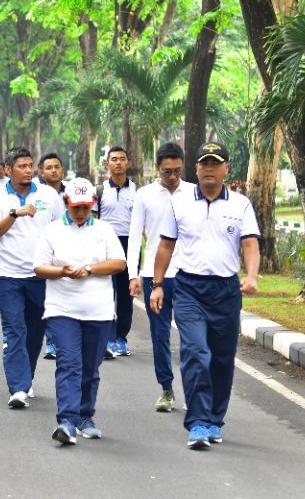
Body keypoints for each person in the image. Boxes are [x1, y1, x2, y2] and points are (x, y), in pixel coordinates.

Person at [150, 142, 260, 450]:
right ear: (195, 169)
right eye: (204, 163)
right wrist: (157, 284)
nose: (209, 168)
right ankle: (197, 421)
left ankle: (214, 419)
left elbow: (250, 243)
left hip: (226, 290)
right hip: (189, 289)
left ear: (226, 168)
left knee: (222, 359)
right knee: (196, 352)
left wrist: (251, 276)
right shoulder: (181, 204)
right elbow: (166, 246)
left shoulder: (240, 205)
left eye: (215, 163)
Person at [34, 178, 126, 445]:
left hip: (98, 312)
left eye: (86, 207)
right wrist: (62, 271)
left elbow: (119, 263)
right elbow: (39, 268)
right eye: (77, 207)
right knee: (69, 364)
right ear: (67, 203)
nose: (82, 212)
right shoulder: (51, 231)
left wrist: (90, 269)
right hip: (62, 309)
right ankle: (66, 420)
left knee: (89, 367)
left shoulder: (105, 230)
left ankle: (86, 416)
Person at [0, 146, 62, 408]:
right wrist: (14, 213)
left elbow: (64, 230)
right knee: (15, 330)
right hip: (8, 276)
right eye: (21, 166)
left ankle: (25, 380)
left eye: (30, 166)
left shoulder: (49, 195)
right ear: (8, 170)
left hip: (41, 275)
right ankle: (17, 388)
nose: (27, 170)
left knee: (35, 332)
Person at [127, 142, 194, 412]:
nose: (173, 176)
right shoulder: (144, 195)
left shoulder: (194, 192)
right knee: (160, 334)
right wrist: (132, 274)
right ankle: (166, 389)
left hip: (189, 274)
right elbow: (134, 237)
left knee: (192, 335)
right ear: (158, 167)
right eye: (168, 171)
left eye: (177, 170)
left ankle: (193, 388)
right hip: (155, 277)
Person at [94, 146, 136, 357]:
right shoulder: (99, 191)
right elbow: (92, 222)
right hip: (105, 247)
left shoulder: (138, 191)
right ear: (107, 164)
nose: (118, 163)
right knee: (105, 294)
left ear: (128, 163)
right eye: (114, 159)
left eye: (122, 159)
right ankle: (107, 338)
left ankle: (121, 337)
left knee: (127, 295)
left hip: (130, 246)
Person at [37, 152, 68, 360]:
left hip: (67, 250)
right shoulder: (36, 193)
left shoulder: (72, 192)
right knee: (47, 298)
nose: (54, 170)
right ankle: (52, 342)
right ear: (41, 172)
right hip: (44, 252)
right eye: (49, 168)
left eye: (57, 167)